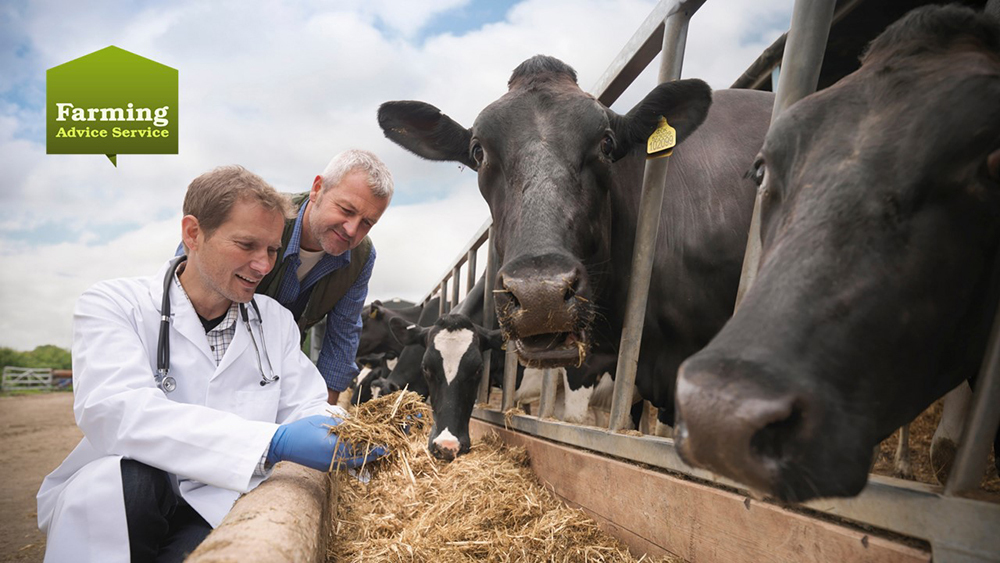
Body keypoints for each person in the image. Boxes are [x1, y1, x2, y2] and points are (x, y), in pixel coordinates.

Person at [36, 166, 384, 563]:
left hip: (215, 498)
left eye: (271, 250)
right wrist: (271, 442)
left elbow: (306, 406)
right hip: (122, 502)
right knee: (133, 483)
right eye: (246, 245)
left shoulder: (274, 321)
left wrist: (362, 432)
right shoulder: (114, 305)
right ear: (192, 234)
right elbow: (115, 411)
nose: (263, 266)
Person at [255, 149, 392, 406]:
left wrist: (321, 418)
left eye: (367, 223)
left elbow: (343, 335)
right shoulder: (262, 216)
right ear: (317, 189)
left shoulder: (360, 257)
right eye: (346, 210)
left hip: (283, 362)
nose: (352, 229)